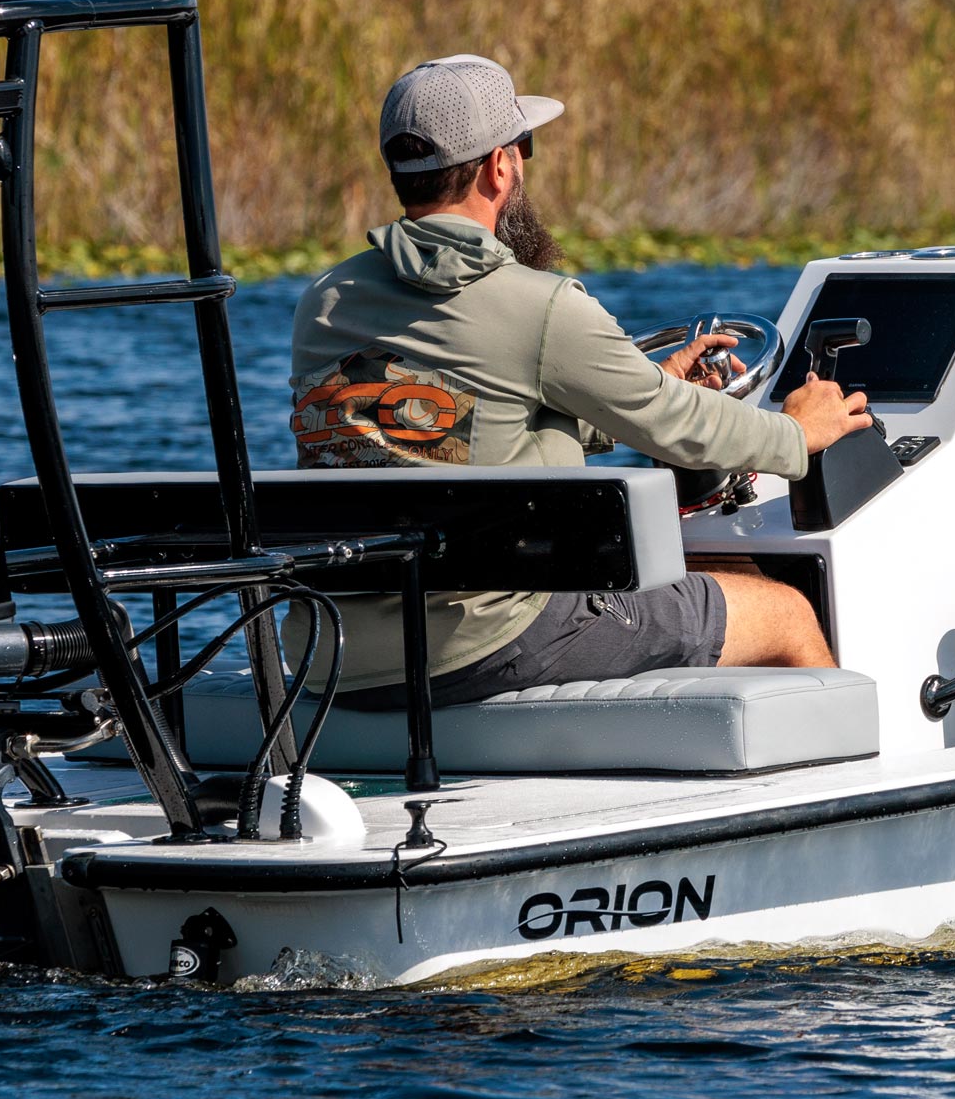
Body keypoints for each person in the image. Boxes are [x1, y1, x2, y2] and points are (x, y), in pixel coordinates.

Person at [288, 52, 875, 703]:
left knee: (707, 575)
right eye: (524, 148)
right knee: (788, 613)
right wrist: (797, 431)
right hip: (483, 645)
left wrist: (642, 384)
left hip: (337, 650)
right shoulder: (538, 305)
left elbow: (442, 423)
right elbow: (679, 426)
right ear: (499, 165)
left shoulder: (325, 302)